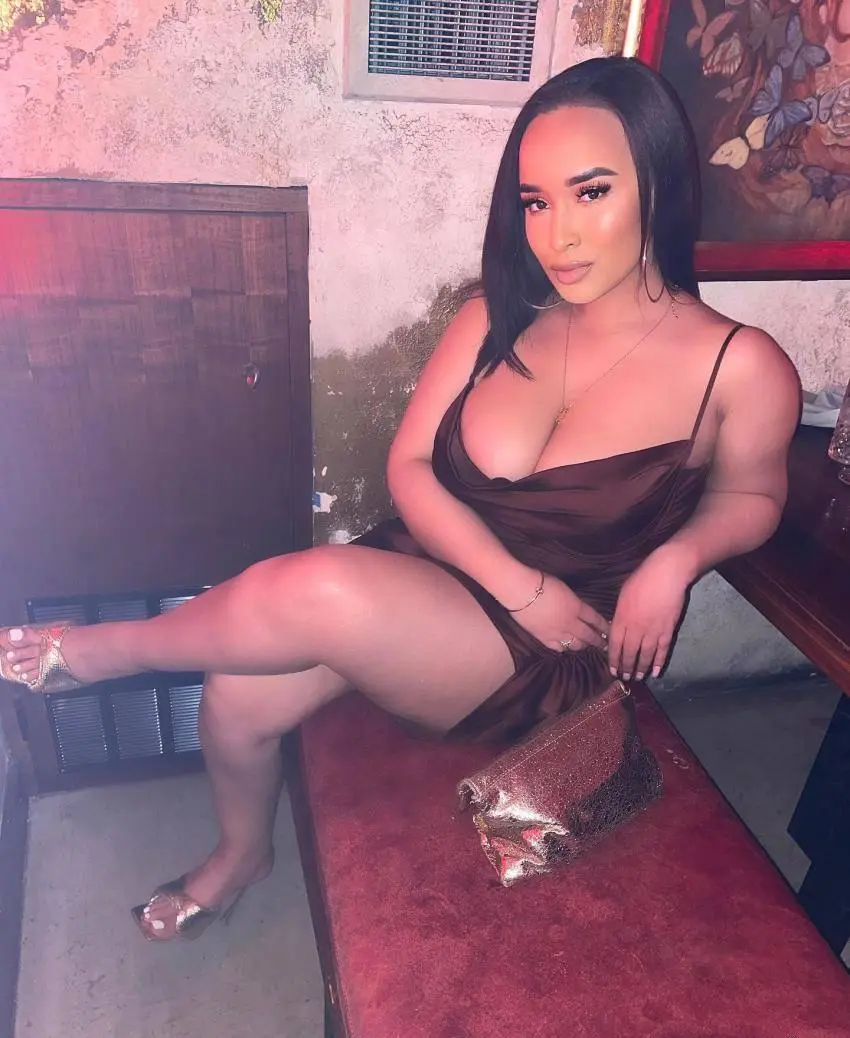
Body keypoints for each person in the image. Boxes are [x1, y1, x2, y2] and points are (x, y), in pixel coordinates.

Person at [0, 56, 800, 941]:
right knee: (237, 694)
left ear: (659, 184)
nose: (558, 234)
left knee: (325, 588)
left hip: (546, 645)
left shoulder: (740, 365)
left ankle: (99, 654)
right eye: (536, 202)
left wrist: (675, 560)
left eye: (591, 192)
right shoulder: (493, 319)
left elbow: (754, 495)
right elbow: (410, 467)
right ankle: (240, 856)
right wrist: (512, 580)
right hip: (439, 574)